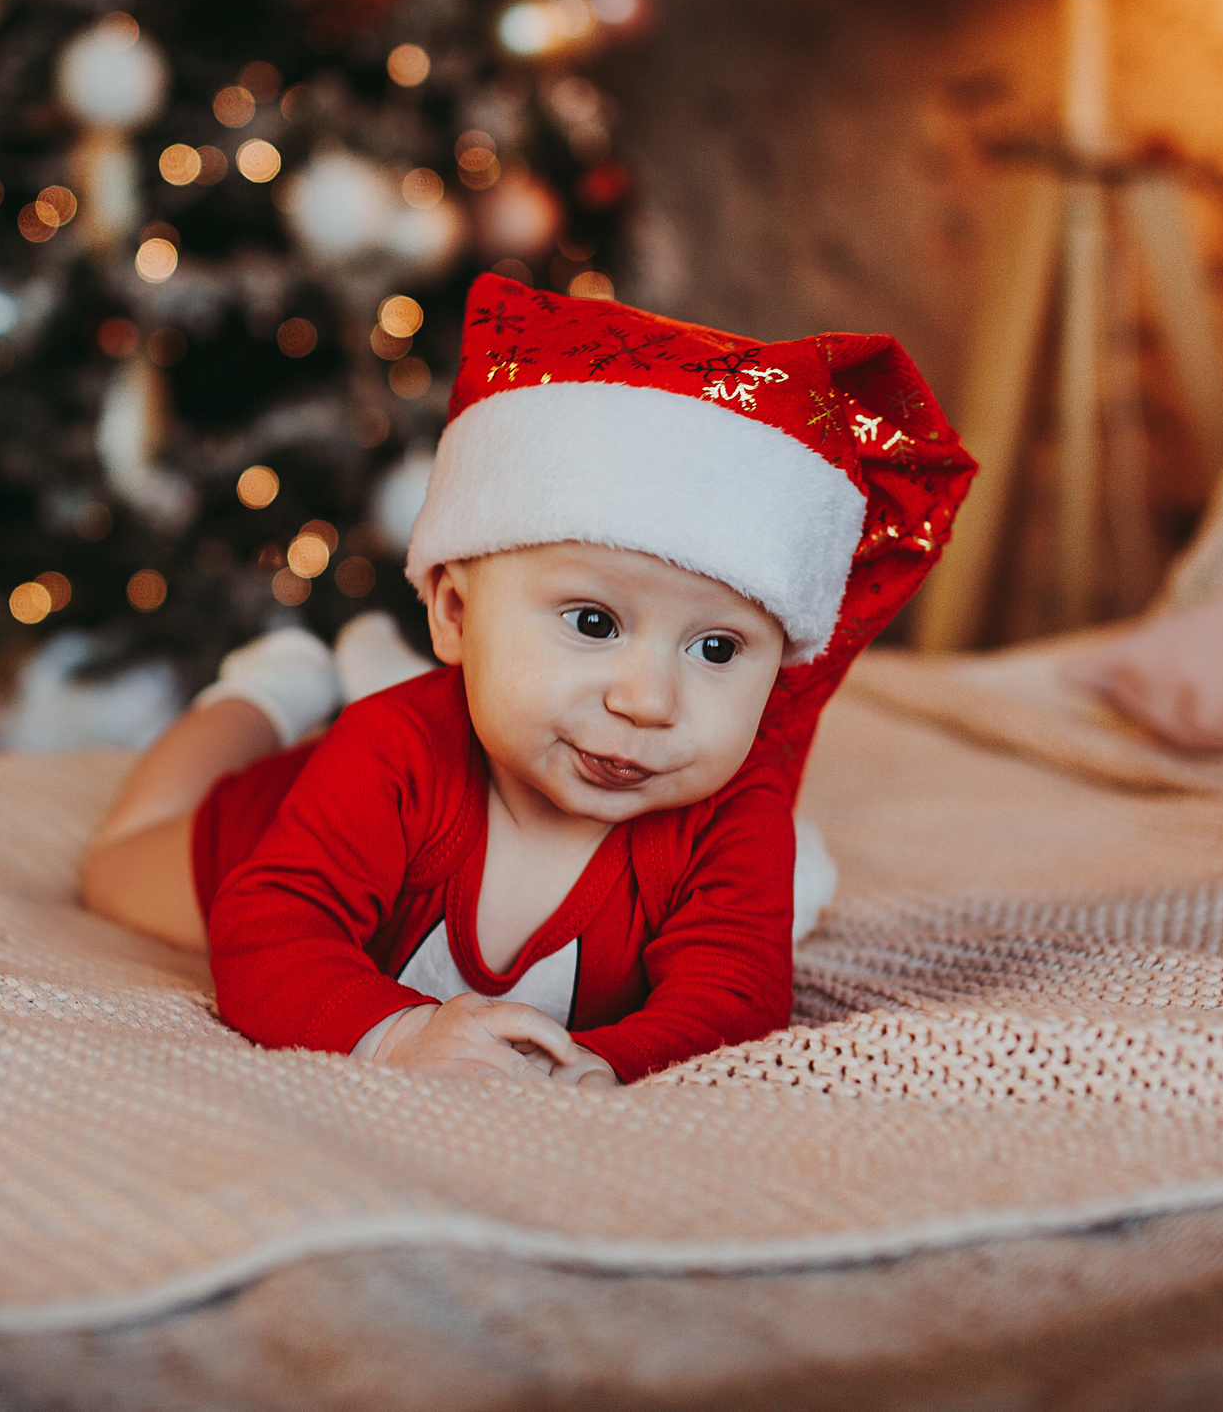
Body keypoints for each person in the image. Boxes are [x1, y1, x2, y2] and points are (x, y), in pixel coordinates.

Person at [79, 272, 973, 1085]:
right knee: (118, 865)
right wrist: (394, 1034)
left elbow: (732, 997)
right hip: (266, 826)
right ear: (457, 615)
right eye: (593, 623)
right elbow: (266, 927)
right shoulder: (395, 747)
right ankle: (275, 685)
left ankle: (374, 666)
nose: (648, 701)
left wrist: (597, 1063)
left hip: (442, 730)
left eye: (716, 650)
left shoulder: (735, 810)